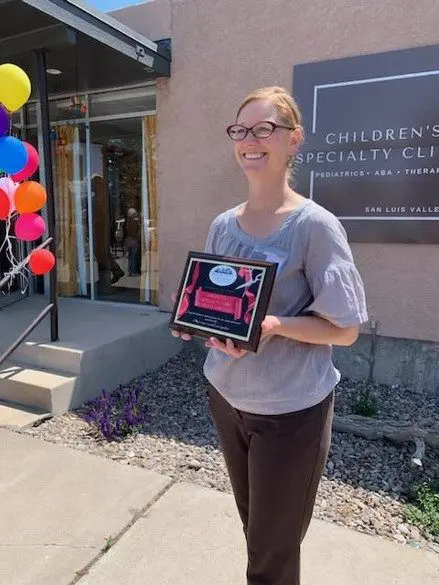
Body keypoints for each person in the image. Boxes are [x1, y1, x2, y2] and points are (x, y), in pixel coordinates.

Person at [172, 86, 368, 585]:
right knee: (258, 533)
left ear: (293, 139)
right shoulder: (223, 225)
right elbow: (217, 301)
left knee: (271, 557)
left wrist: (276, 326)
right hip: (227, 398)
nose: (250, 140)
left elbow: (344, 330)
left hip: (290, 413)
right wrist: (197, 322)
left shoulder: (314, 227)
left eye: (265, 129)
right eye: (241, 130)